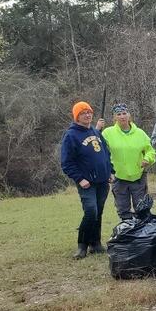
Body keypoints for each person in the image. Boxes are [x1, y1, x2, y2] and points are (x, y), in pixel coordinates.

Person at [60, 100, 114, 259]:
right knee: (91, 211)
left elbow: (106, 153)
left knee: (99, 212)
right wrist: (80, 178)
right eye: (83, 113)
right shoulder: (71, 135)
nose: (87, 115)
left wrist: (111, 171)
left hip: (103, 181)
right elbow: (67, 162)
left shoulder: (96, 132)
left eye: (89, 112)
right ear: (77, 116)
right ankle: (82, 245)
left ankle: (95, 243)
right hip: (86, 182)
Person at [99, 103, 156, 220]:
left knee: (142, 209)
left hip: (138, 178)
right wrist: (97, 129)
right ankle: (127, 233)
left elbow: (151, 151)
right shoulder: (107, 133)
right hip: (118, 179)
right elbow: (98, 150)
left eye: (124, 113)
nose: (122, 116)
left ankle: (142, 235)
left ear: (129, 115)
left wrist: (147, 159)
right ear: (114, 117)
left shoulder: (140, 133)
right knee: (123, 211)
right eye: (118, 114)